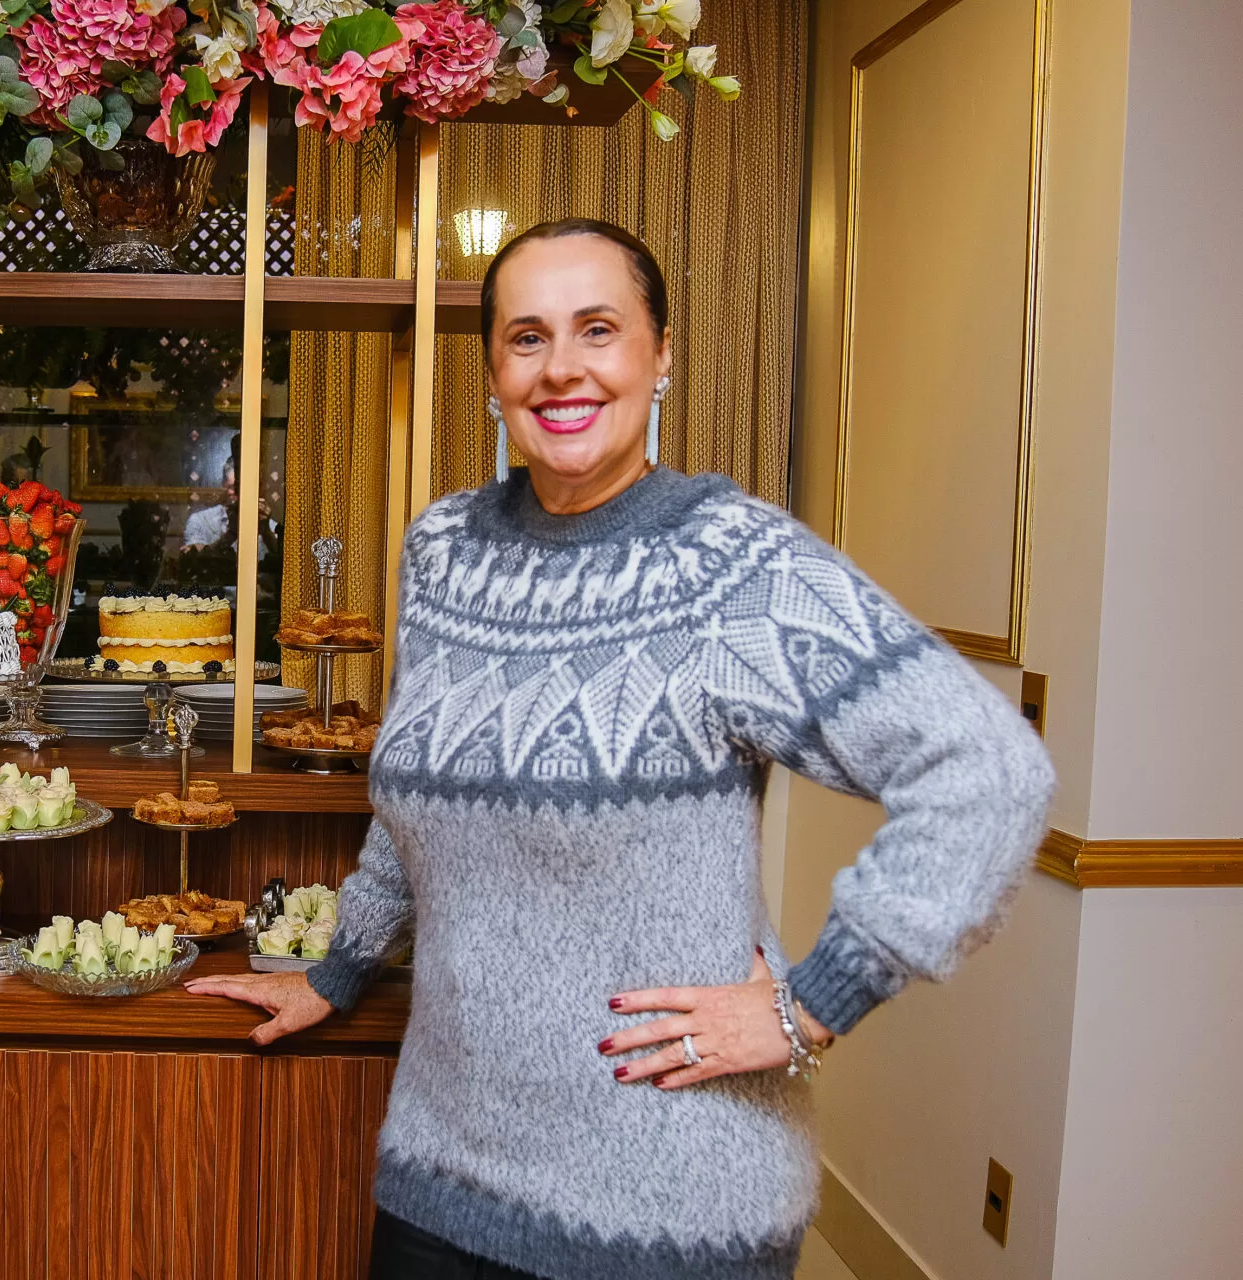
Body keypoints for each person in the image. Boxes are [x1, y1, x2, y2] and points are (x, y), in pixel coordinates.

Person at [186, 218, 1054, 1279]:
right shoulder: (443, 550)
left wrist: (811, 1005)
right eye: (527, 337)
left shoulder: (731, 564)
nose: (562, 368)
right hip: (443, 1172)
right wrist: (336, 968)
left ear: (660, 353)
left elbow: (988, 771)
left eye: (598, 329)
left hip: (673, 1206)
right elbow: (415, 806)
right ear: (494, 373)